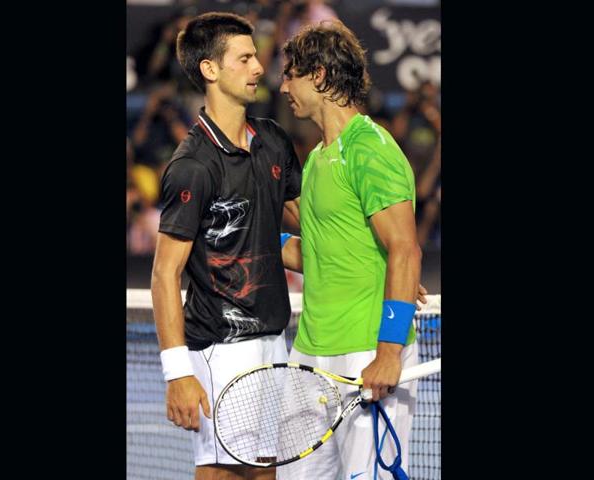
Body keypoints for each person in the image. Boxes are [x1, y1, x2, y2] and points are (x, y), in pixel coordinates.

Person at [150, 12, 302, 480]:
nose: (259, 67)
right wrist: (178, 373)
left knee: (263, 474)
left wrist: (375, 267)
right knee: (222, 474)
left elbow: (306, 235)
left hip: (273, 339)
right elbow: (164, 275)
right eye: (246, 57)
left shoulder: (274, 142)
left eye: (256, 56)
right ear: (210, 70)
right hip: (220, 350)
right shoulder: (193, 165)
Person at [278, 20, 423, 479]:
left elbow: (404, 250)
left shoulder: (371, 149)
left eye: (290, 75)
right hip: (310, 356)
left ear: (318, 76)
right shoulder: (319, 158)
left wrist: (389, 351)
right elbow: (317, 252)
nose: (282, 87)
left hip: (366, 355)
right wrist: (244, 241)